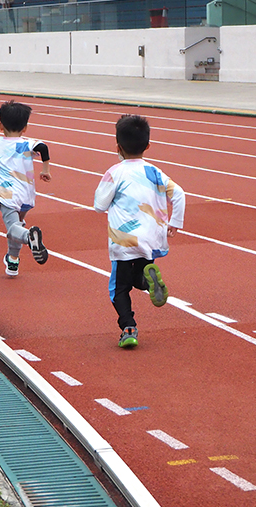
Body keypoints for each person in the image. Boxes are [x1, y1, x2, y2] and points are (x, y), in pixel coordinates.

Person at [94, 114, 185, 348]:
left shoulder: (115, 172)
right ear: (148, 145)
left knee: (118, 289)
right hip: (152, 237)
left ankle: (128, 327)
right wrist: (175, 222)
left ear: (117, 146)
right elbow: (179, 194)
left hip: (124, 241)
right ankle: (146, 280)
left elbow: (99, 205)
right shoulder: (155, 172)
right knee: (140, 272)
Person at [0, 100, 50, 276]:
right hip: (26, 195)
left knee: (14, 228)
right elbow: (43, 148)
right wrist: (45, 169)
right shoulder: (27, 145)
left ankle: (29, 237)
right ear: (25, 128)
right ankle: (13, 261)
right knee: (16, 226)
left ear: (0, 125)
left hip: (6, 194)